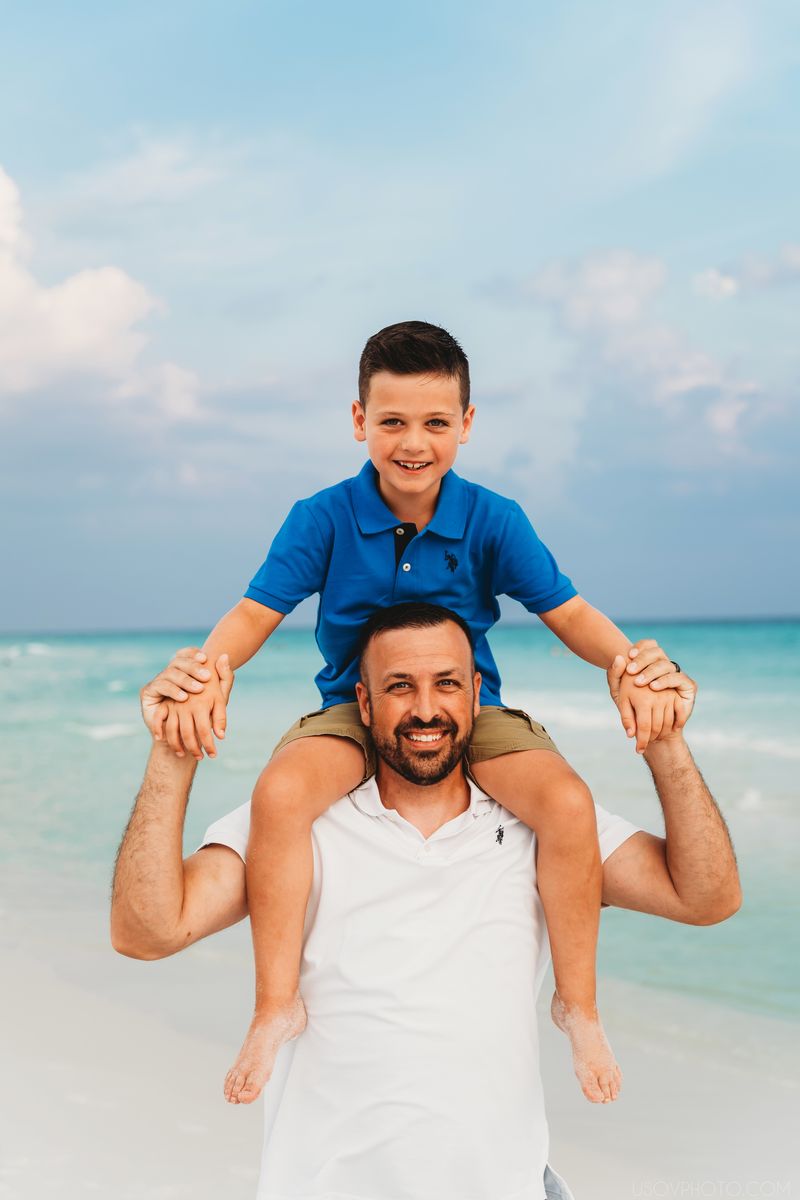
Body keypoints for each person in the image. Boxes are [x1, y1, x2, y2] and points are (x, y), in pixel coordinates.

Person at [150, 321, 690, 1106]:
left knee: (568, 803)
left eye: (436, 422)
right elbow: (255, 613)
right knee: (279, 795)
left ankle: (577, 1002)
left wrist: (630, 666)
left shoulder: (492, 517)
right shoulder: (323, 516)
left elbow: (568, 613)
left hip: (473, 713)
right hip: (352, 710)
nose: (414, 442)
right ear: (358, 420)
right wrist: (206, 672)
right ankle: (274, 1005)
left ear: (466, 425)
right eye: (393, 421)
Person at [112, 603, 741, 1200]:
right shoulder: (298, 826)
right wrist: (174, 749)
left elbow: (705, 896)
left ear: (475, 694)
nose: (425, 709)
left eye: (446, 684)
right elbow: (148, 932)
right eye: (398, 687)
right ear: (362, 701)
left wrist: (665, 739)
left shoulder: (545, 825)